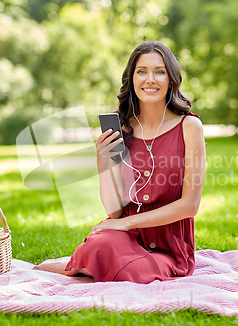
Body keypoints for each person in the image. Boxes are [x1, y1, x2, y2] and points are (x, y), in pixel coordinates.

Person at [33, 41, 206, 283]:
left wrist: (126, 223)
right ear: (132, 78)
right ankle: (94, 262)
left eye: (159, 71)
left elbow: (190, 205)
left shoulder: (189, 127)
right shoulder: (120, 129)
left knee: (134, 271)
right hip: (127, 238)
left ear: (171, 79)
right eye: (142, 71)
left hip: (170, 249)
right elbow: (114, 211)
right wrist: (103, 164)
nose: (150, 79)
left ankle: (81, 267)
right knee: (103, 243)